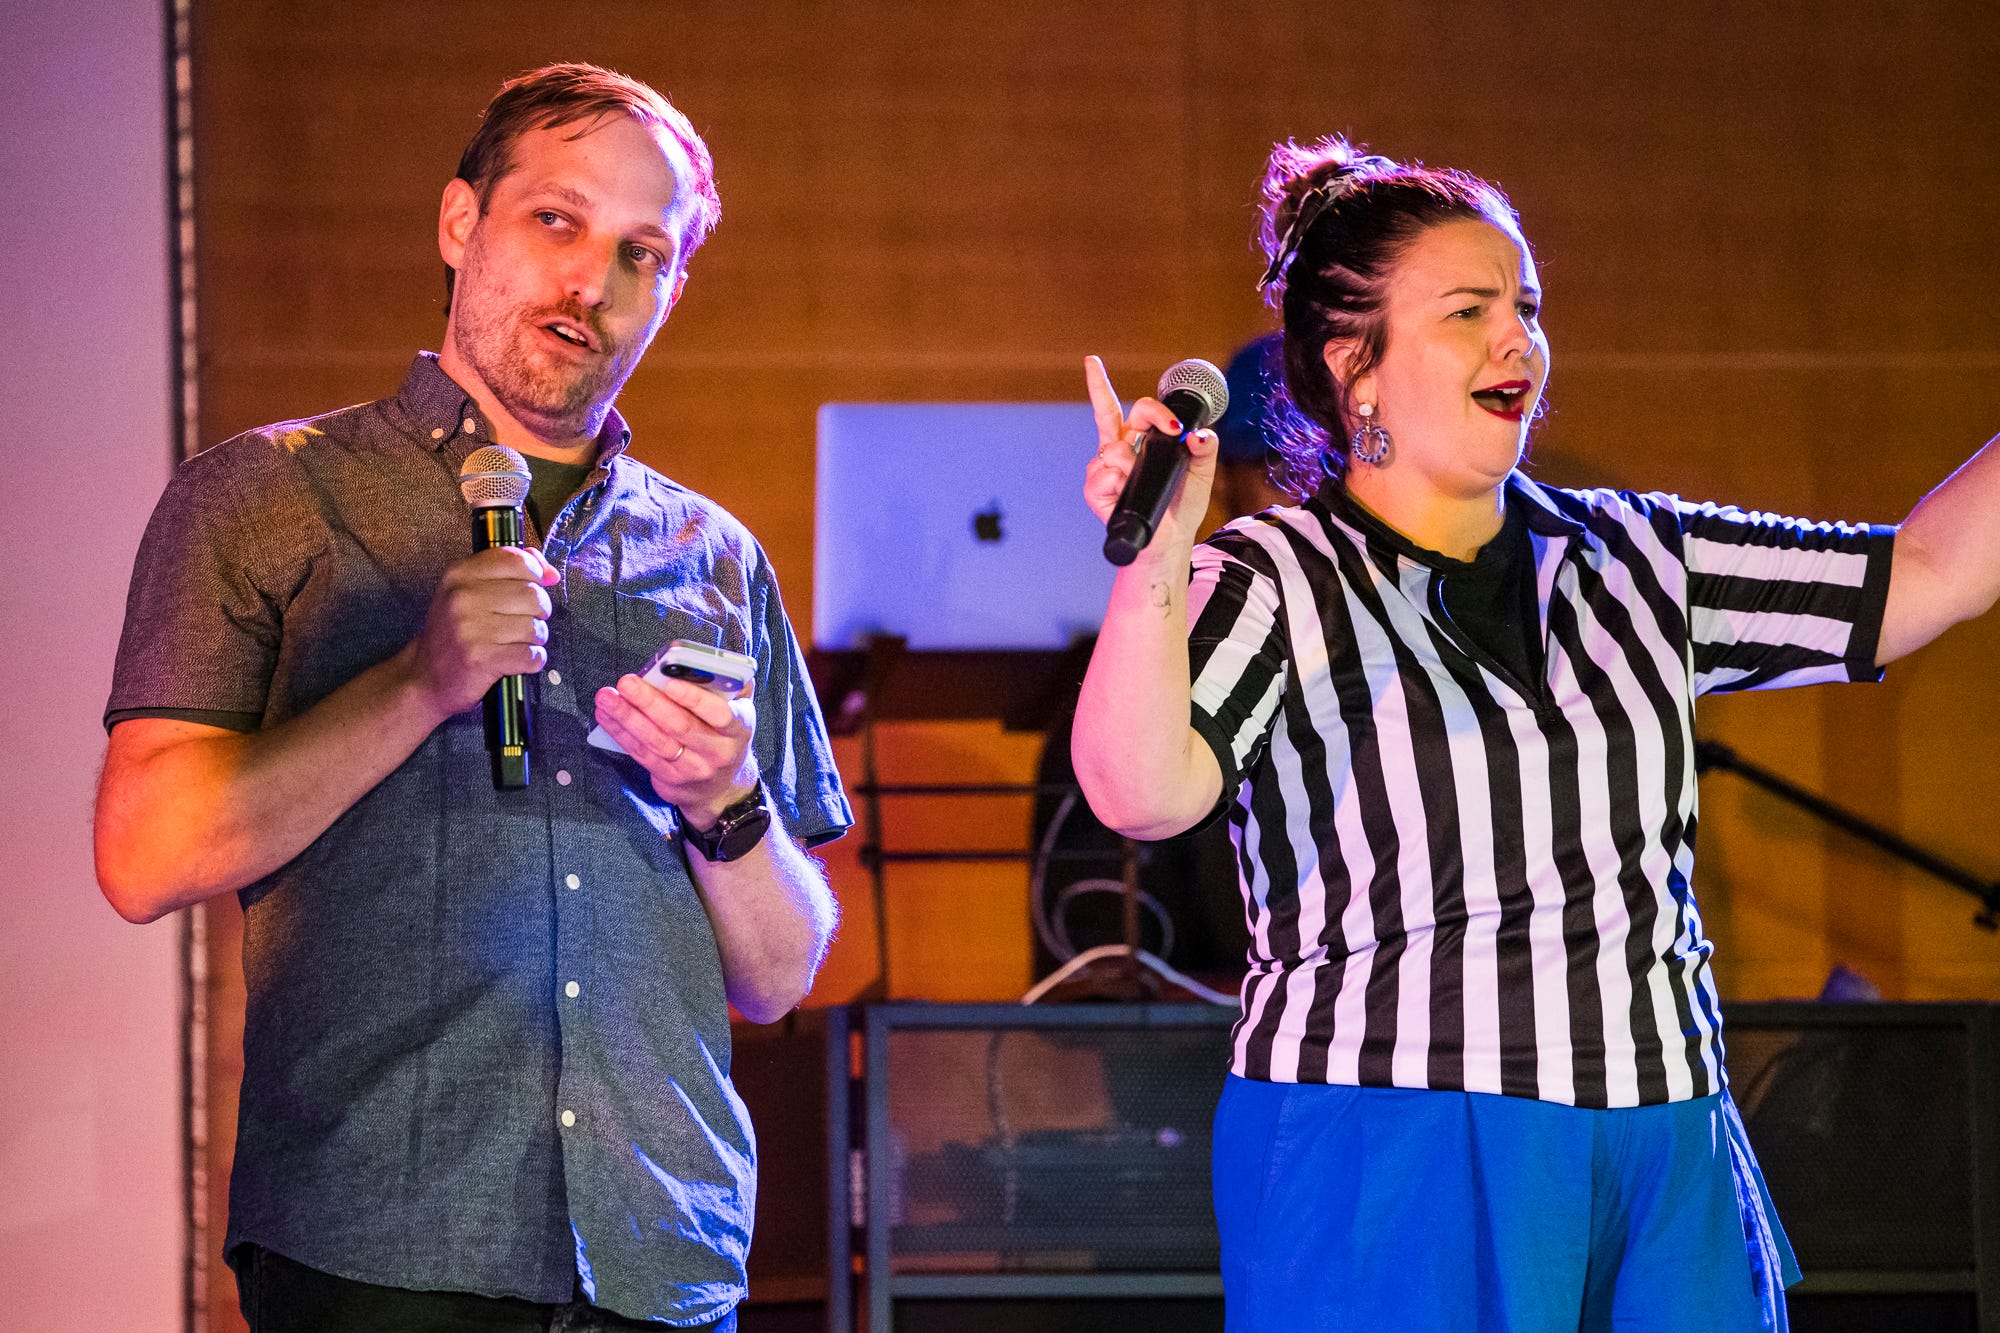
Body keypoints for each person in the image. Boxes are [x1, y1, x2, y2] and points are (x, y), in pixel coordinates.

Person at [1072, 136, 2000, 1331]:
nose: (1515, 337)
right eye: (1467, 311)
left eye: (1524, 306)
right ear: (1355, 367)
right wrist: (1152, 565)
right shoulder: (1274, 576)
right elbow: (1139, 792)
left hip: (1662, 1129)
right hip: (1389, 1135)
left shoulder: (1637, 554)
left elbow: (1922, 574)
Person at [95, 63, 851, 1331]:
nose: (590, 282)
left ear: (669, 290)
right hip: (380, 1241)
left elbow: (778, 973)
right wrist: (418, 683)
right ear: (461, 224)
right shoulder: (267, 496)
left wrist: (727, 802)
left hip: (657, 1251)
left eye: (641, 254)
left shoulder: (713, 558)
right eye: (556, 220)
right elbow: (142, 854)